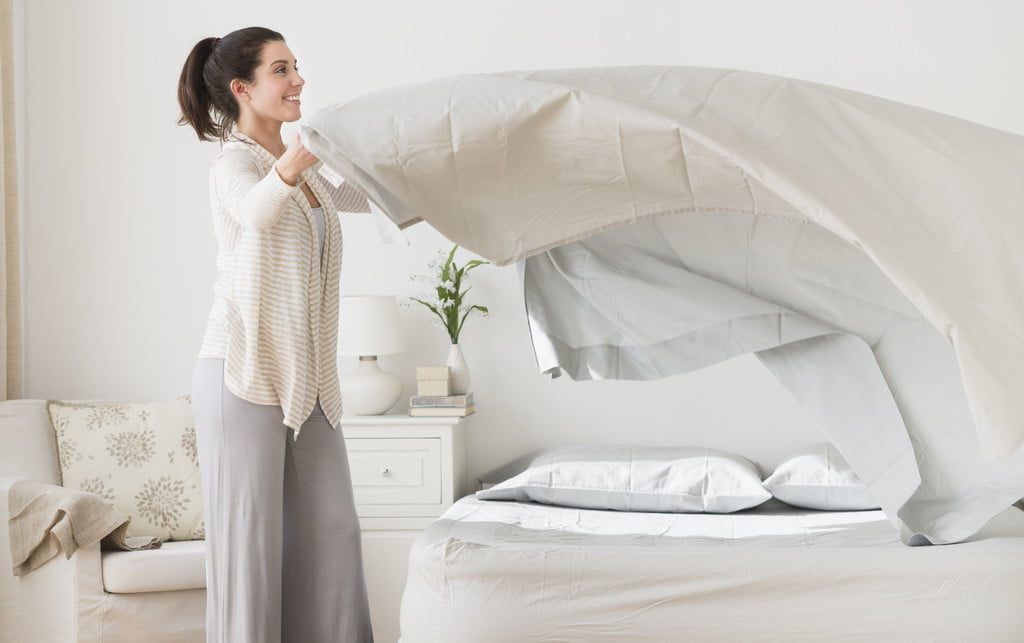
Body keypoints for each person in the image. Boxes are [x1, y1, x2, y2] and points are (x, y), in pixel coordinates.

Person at [176, 26, 374, 643]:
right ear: (243, 88)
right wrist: (297, 157)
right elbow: (257, 211)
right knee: (251, 549)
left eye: (296, 67)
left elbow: (368, 197)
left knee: (334, 532)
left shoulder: (304, 171)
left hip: (308, 380)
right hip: (241, 373)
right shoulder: (234, 165)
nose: (298, 80)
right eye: (281, 70)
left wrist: (378, 150)